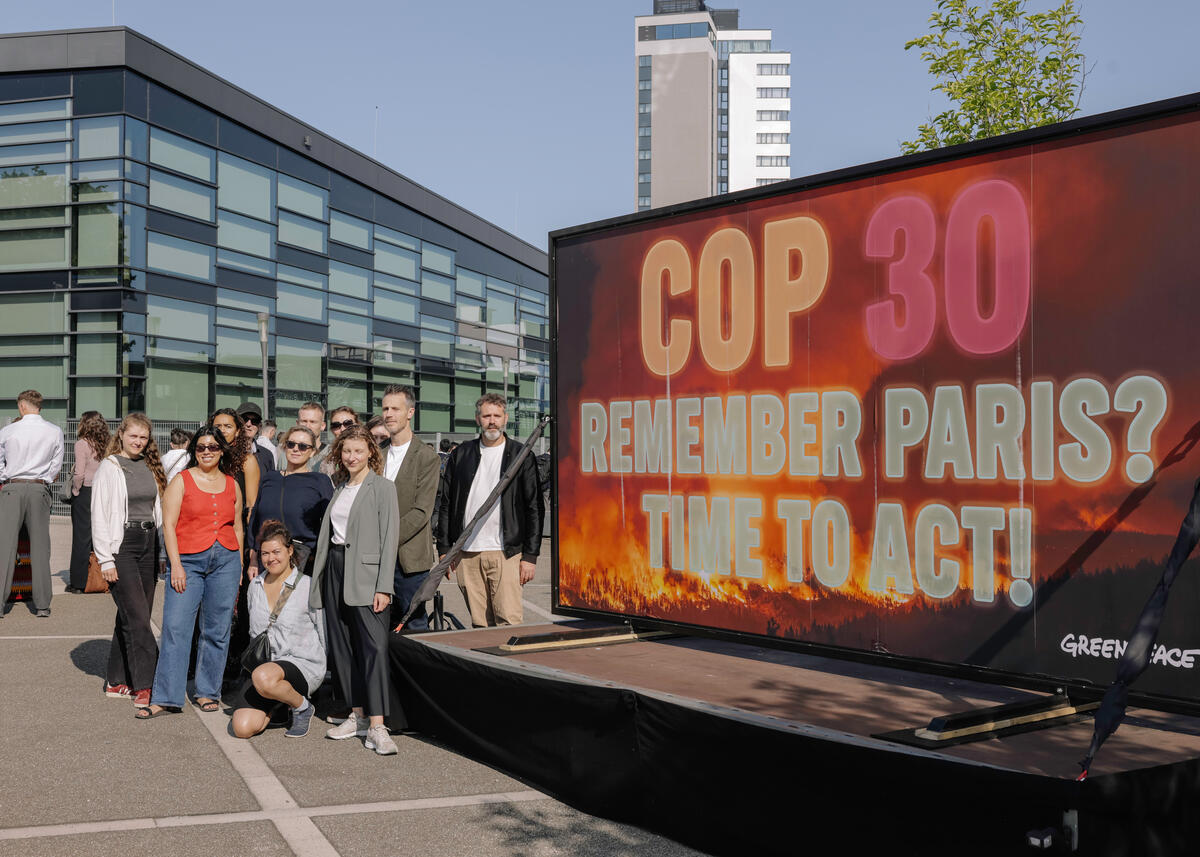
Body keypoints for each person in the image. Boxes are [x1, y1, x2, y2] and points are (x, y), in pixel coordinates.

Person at [138, 426, 244, 719]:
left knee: (217, 630)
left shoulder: (232, 484)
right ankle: (166, 696)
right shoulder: (181, 481)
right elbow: (168, 526)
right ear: (193, 451)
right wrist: (176, 566)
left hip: (226, 561)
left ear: (222, 450)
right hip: (188, 562)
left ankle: (208, 691)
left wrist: (240, 566)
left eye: (212, 447)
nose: (207, 451)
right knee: (175, 628)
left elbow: (237, 526)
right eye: (201, 447)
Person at [311, 425, 399, 754]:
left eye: (358, 451)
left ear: (370, 454)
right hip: (334, 569)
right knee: (344, 649)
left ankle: (378, 726)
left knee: (373, 648)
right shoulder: (340, 487)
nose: (351, 457)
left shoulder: (382, 488)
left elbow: (389, 540)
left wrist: (384, 587)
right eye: (347, 451)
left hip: (366, 577)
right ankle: (357, 715)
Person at [436, 394, 543, 628]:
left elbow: (534, 507)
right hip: (467, 552)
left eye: (496, 416)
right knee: (479, 624)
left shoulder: (521, 455)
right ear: (478, 419)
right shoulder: (461, 454)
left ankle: (510, 664)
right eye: (486, 416)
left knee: (508, 621)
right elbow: (447, 502)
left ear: (505, 418)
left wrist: (530, 556)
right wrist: (444, 548)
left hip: (506, 552)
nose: (491, 421)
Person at [91, 413, 167, 707]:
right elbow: (98, 516)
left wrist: (160, 552)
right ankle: (147, 684)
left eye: (143, 437)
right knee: (137, 618)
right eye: (133, 436)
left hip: (149, 544)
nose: (138, 441)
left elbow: (157, 510)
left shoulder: (150, 466)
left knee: (133, 615)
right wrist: (105, 560)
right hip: (121, 546)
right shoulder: (110, 468)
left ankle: (115, 679)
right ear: (121, 434)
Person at [231, 519, 325, 739]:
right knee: (242, 728)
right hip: (264, 668)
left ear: (290, 550)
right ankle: (281, 706)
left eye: (276, 551)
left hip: (301, 664)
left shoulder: (308, 586)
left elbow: (323, 630)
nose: (270, 558)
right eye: (265, 553)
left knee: (264, 677)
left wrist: (324, 672)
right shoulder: (254, 587)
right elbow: (254, 634)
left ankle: (302, 707)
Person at [379, 385, 439, 632]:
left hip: (408, 561)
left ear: (410, 412)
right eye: (385, 408)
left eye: (395, 408)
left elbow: (421, 512)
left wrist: (385, 539)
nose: (389, 414)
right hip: (375, 558)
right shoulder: (376, 453)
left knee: (413, 623)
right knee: (380, 622)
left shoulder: (426, 456)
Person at [0, 390, 64, 617]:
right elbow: (57, 464)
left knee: (5, 548)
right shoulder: (54, 431)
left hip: (12, 487)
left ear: (21, 406)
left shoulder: (8, 430)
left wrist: (5, 477)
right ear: (39, 406)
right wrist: (45, 479)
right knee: (40, 548)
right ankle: (43, 605)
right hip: (39, 487)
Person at [248, 426, 333, 577]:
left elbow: (329, 524)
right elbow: (255, 519)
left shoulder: (319, 481)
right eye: (291, 444)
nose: (295, 449)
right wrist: (253, 559)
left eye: (302, 446)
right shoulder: (269, 478)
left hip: (302, 558)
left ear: (312, 451)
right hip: (266, 557)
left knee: (290, 601)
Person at [67, 411, 109, 593]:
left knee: (81, 537)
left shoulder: (82, 444)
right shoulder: (108, 444)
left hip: (86, 492)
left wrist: (76, 491)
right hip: (104, 492)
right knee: (101, 536)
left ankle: (79, 582)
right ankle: (100, 578)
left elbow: (79, 473)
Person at [212, 408, 261, 512]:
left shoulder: (247, 461)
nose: (222, 430)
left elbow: (251, 504)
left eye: (228, 426)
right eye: (217, 426)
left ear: (237, 431)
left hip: (237, 523)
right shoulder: (205, 456)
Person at [238, 402, 276, 478]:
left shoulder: (267, 455)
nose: (249, 424)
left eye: (254, 421)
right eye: (244, 419)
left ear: (259, 426)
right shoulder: (226, 452)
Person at [297, 402, 330, 474]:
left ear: (323, 426)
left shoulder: (331, 455)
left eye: (313, 422)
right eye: (304, 421)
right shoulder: (287, 453)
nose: (308, 426)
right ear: (297, 424)